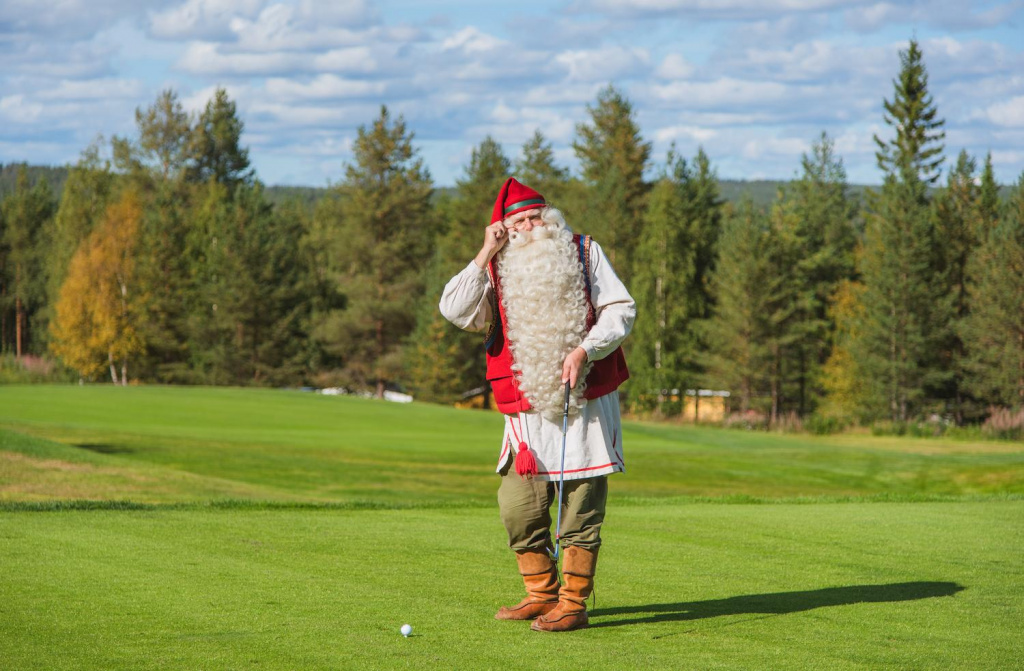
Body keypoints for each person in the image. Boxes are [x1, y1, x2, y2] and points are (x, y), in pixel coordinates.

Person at [439, 177, 635, 632]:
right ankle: (540, 594)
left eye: (534, 216)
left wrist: (587, 348)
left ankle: (572, 603)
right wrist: (486, 251)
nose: (529, 226)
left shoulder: (585, 252)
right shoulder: (495, 267)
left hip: (584, 407)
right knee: (518, 508)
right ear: (503, 227)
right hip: (526, 420)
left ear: (549, 217)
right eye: (517, 221)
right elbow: (454, 309)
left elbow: (621, 308)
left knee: (580, 511)